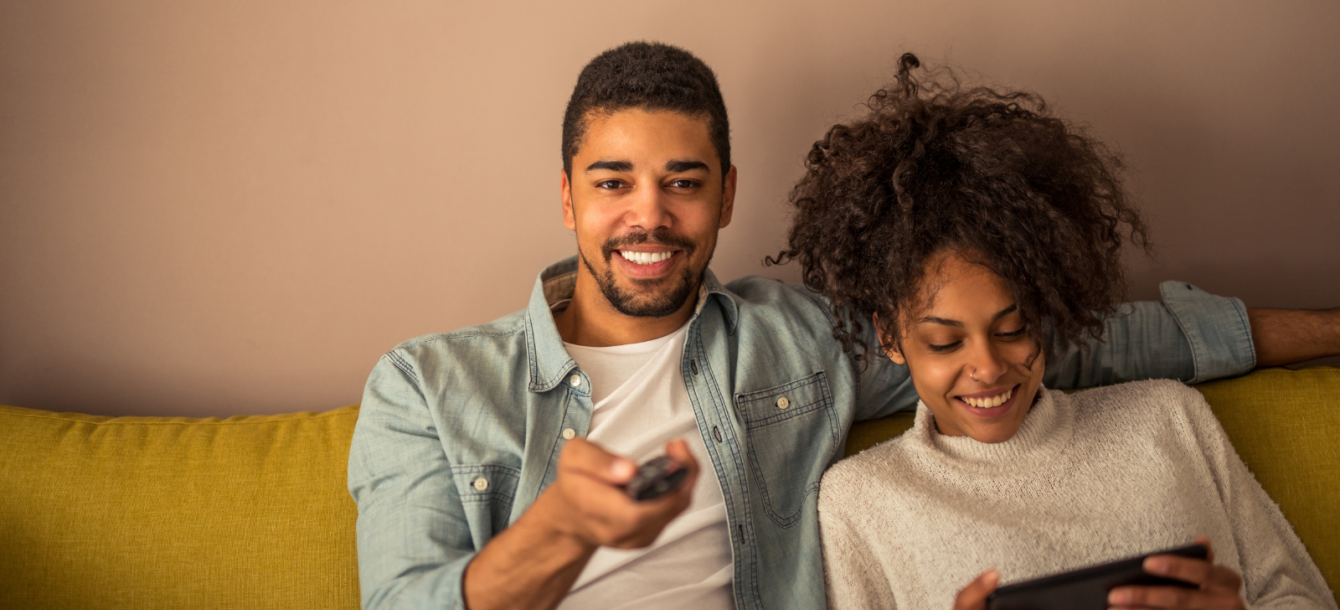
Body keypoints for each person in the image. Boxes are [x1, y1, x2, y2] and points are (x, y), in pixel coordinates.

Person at [347, 42, 1340, 610]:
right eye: (613, 184)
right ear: (567, 198)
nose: (648, 217)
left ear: (725, 196)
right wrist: (560, 530)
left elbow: (1071, 340)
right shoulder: (427, 387)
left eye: (681, 184)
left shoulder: (792, 344)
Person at [788, 55, 1339, 610]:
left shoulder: (1169, 419)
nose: (988, 367)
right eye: (945, 342)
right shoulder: (859, 503)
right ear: (889, 337)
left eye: (1013, 328)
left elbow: (1300, 597)